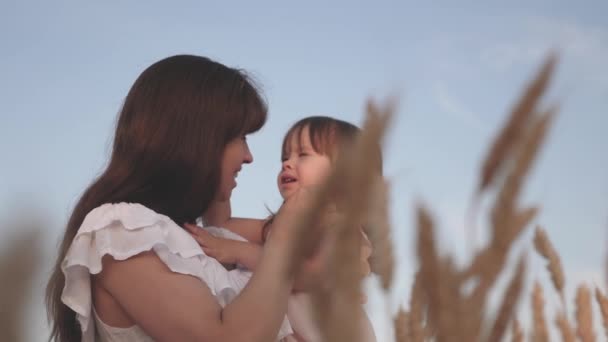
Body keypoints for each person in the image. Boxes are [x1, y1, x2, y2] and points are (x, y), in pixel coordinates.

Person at [46, 55, 324, 342]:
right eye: (239, 137)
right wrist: (285, 240)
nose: (248, 156)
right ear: (200, 137)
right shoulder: (122, 230)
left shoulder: (200, 241)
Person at [186, 116, 380, 341]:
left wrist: (241, 251)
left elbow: (307, 277)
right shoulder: (280, 225)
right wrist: (217, 166)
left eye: (303, 155)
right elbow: (222, 226)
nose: (287, 163)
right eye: (285, 157)